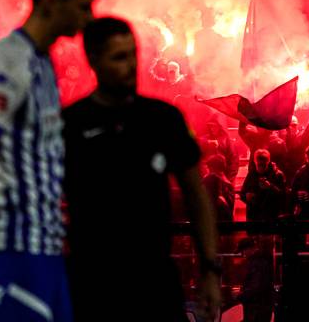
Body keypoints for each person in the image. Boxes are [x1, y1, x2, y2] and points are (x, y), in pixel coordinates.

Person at [0, 0, 107, 322]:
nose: (89, 18)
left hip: (45, 252)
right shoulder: (11, 60)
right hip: (11, 256)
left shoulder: (42, 63)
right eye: (83, 6)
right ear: (52, 2)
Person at [63, 17, 220, 321]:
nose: (131, 65)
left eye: (133, 54)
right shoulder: (70, 124)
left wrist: (210, 270)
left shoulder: (163, 118)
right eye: (119, 57)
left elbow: (196, 196)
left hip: (153, 278)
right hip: (91, 281)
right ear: (94, 60)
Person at [241, 149, 286, 222]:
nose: (261, 167)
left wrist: (270, 187)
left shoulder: (277, 175)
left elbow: (284, 196)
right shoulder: (252, 174)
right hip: (253, 217)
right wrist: (246, 196)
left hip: (270, 217)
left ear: (268, 162)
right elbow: (242, 193)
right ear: (255, 162)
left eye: (263, 165)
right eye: (259, 165)